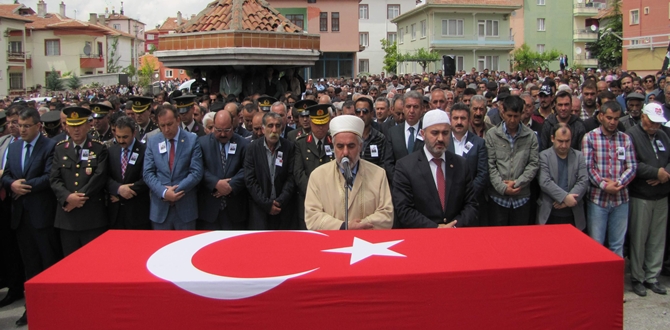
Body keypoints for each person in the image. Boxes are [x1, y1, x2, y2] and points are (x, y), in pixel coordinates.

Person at [1, 107, 61, 326]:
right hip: (21, 218)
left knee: (48, 263)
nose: (22, 129)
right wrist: (11, 184)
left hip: (42, 216)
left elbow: (49, 177)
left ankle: (54, 308)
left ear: (38, 126)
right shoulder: (15, 147)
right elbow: (6, 174)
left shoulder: (50, 146)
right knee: (30, 265)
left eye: (27, 126)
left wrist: (23, 186)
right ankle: (32, 307)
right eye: (19, 125)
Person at [305, 115, 393, 230]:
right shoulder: (318, 176)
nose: (345, 152)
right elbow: (312, 217)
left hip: (367, 243)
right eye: (340, 146)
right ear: (333, 147)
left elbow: (386, 215)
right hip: (332, 244)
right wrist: (343, 226)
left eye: (351, 146)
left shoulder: (378, 174)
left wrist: (360, 226)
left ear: (360, 146)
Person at [393, 109, 478, 228]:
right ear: (423, 134)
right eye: (435, 133)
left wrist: (453, 227)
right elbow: (403, 209)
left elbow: (471, 205)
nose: (440, 139)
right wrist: (435, 228)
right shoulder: (405, 166)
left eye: (445, 133)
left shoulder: (461, 164)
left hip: (456, 234)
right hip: (422, 237)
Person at [50, 107, 108, 256]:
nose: (76, 130)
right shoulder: (60, 149)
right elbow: (54, 179)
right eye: (72, 126)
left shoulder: (98, 148)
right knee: (71, 264)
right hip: (67, 217)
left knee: (94, 262)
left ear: (88, 125)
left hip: (92, 216)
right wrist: (67, 198)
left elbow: (99, 177)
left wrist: (78, 198)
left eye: (80, 125)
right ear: (66, 127)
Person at [625, 103, 670, 296]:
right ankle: (638, 277)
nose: (655, 126)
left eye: (658, 123)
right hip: (641, 195)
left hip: (661, 194)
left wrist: (665, 173)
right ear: (643, 117)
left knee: (657, 239)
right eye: (652, 122)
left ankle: (653, 276)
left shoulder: (663, 135)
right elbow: (631, 163)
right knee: (639, 238)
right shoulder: (631, 135)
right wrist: (654, 172)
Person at [582, 101, 637, 258]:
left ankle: (615, 282)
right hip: (597, 200)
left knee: (617, 245)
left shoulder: (625, 139)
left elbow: (632, 167)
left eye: (616, 118)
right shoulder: (590, 138)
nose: (612, 122)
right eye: (609, 118)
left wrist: (619, 183)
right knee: (596, 244)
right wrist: (604, 185)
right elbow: (588, 167)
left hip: (621, 199)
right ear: (601, 116)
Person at [143, 106, 203, 230]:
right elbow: (148, 173)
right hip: (160, 209)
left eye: (169, 124)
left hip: (185, 207)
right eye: (162, 125)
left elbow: (196, 172)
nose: (166, 129)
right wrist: (164, 192)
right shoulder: (153, 141)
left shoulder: (191, 140)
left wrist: (175, 192)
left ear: (178, 120)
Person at [485, 95, 539, 226]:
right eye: (509, 115)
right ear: (502, 112)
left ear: (522, 114)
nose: (512, 120)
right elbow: (490, 165)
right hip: (498, 199)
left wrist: (517, 183)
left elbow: (533, 164)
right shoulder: (492, 135)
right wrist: (503, 188)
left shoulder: (530, 136)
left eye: (516, 116)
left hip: (521, 198)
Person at [197, 110, 250, 230]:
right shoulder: (202, 143)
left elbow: (246, 169)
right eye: (218, 130)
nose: (222, 134)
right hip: (209, 209)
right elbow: (199, 168)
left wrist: (230, 186)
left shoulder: (243, 144)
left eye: (226, 130)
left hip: (235, 210)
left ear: (233, 126)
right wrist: (216, 183)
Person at [244, 112, 296, 230]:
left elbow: (291, 177)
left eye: (277, 126)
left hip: (283, 209)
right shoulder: (252, 148)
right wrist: (266, 204)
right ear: (263, 129)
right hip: (259, 211)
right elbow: (250, 180)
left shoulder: (289, 147)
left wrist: (279, 201)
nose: (274, 129)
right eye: (270, 126)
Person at [537, 124, 588, 229]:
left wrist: (568, 202)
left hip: (573, 214)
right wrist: (565, 198)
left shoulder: (579, 156)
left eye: (567, 141)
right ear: (552, 138)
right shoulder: (544, 156)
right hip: (549, 214)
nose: (564, 145)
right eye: (560, 141)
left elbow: (583, 181)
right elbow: (545, 182)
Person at [447, 102, 489, 226]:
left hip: (472, 202)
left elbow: (482, 173)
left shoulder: (479, 143)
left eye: (463, 118)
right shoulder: (443, 142)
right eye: (455, 118)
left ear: (469, 120)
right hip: (448, 202)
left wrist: (467, 195)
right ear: (450, 120)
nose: (459, 122)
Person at [293, 104, 335, 229]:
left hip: (332, 201)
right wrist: (315, 194)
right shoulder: (301, 144)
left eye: (324, 124)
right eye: (317, 124)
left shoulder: (334, 142)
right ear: (311, 123)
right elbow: (299, 173)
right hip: (308, 201)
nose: (320, 128)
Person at [106, 116, 151, 230]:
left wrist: (123, 194)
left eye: (125, 137)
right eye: (118, 137)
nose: (121, 141)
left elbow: (146, 178)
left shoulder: (145, 150)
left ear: (134, 133)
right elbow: (105, 177)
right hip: (116, 215)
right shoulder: (111, 151)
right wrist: (118, 189)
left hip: (137, 213)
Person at [387, 91, 425, 166]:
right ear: (403, 108)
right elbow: (388, 162)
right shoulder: (393, 132)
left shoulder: (427, 131)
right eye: (408, 106)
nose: (411, 111)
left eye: (415, 107)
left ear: (421, 109)